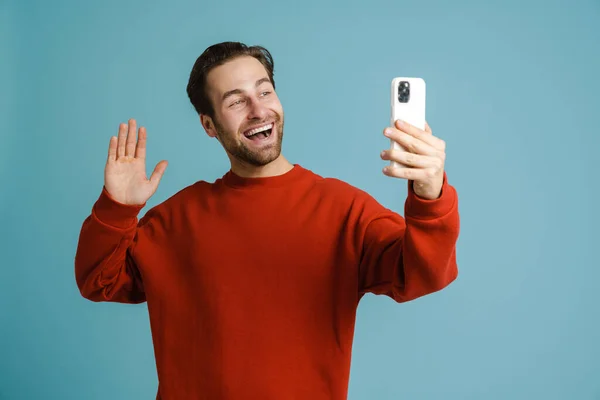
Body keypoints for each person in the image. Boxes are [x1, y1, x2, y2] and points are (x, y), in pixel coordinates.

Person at [74, 41, 460, 400]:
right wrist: (117, 208)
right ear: (209, 125)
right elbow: (98, 280)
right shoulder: (176, 219)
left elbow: (423, 274)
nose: (259, 110)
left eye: (264, 91)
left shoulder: (345, 211)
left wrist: (429, 193)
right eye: (236, 101)